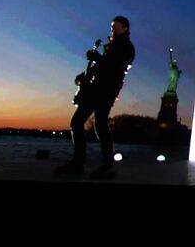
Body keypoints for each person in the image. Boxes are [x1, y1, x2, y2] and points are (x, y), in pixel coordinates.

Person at [56, 15, 135, 179]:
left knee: (98, 123)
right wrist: (84, 76)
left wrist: (97, 58)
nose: (112, 28)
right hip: (95, 89)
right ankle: (80, 163)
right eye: (111, 25)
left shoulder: (127, 47)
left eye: (115, 26)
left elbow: (115, 66)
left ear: (125, 28)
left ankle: (103, 165)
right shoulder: (113, 45)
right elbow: (102, 67)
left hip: (107, 91)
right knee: (79, 122)